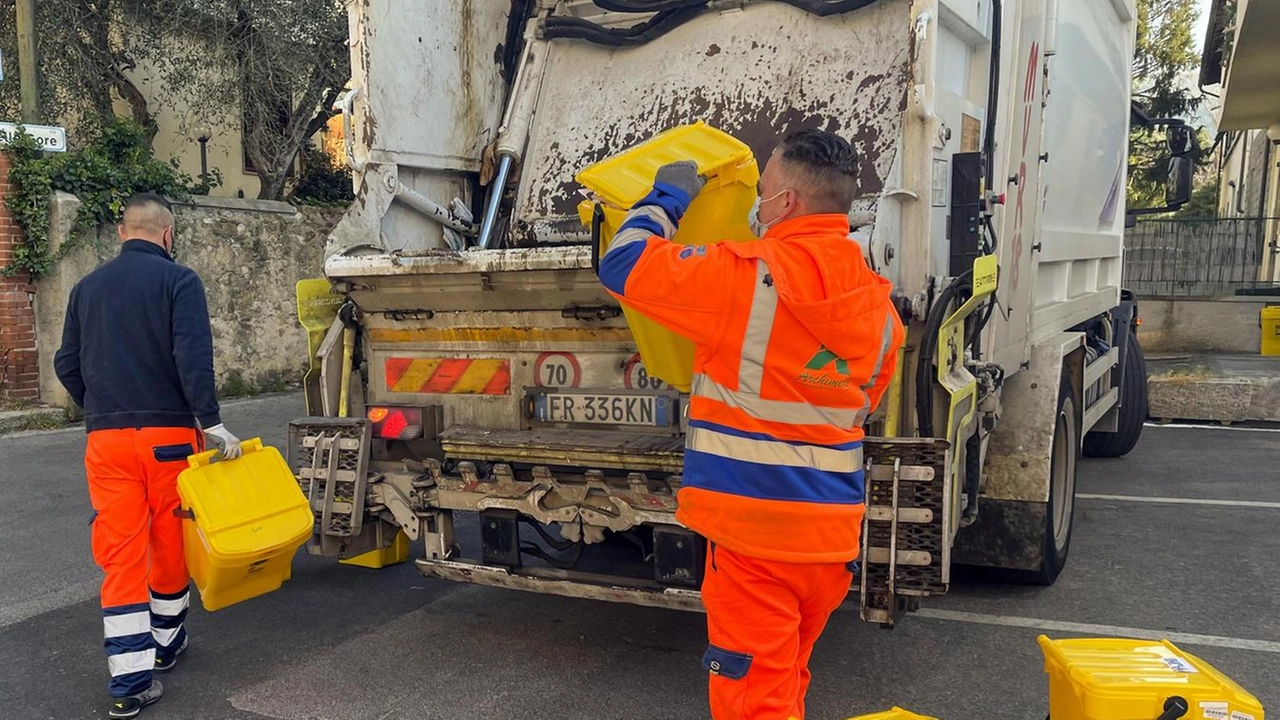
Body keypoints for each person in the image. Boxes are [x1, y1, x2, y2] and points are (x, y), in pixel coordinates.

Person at [598, 129, 904, 720]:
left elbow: (623, 265)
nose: (753, 205)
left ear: (786, 203)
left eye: (761, 191)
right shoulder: (879, 308)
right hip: (829, 543)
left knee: (753, 705)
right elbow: (857, 405)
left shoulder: (742, 278)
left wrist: (667, 199)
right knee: (782, 685)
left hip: (754, 539)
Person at [54, 193, 242, 719]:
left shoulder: (85, 289)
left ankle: (129, 682)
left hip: (107, 442)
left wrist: (101, 407)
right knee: (169, 541)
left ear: (122, 232)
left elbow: (66, 361)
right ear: (168, 233)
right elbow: (192, 356)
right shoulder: (179, 281)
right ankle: (166, 641)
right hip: (170, 439)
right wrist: (212, 422)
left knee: (120, 552)